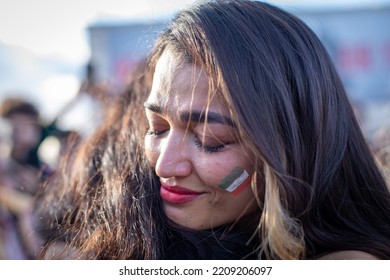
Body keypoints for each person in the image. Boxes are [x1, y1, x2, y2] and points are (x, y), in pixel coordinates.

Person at [33, 0, 390, 260]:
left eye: (210, 141)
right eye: (157, 128)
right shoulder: (120, 230)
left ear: (294, 143)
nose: (165, 166)